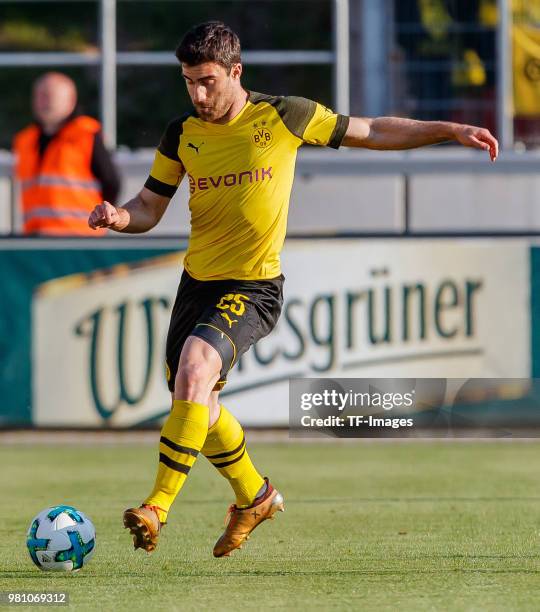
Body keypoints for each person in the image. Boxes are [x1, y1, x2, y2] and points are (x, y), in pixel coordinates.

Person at [88, 21, 498, 558]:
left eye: (207, 81)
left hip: (254, 285)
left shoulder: (285, 115)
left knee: (194, 370)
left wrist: (447, 129)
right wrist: (119, 216)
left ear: (236, 71)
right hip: (197, 284)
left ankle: (156, 507)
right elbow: (149, 206)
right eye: (189, 82)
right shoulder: (182, 132)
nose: (197, 93)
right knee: (199, 403)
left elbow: (371, 131)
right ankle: (254, 496)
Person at [13, 72, 120, 236]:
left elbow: (111, 183)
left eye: (50, 96)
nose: (44, 102)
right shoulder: (25, 140)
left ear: (70, 101)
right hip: (35, 238)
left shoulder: (86, 133)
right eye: (40, 96)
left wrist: (101, 221)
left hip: (80, 237)